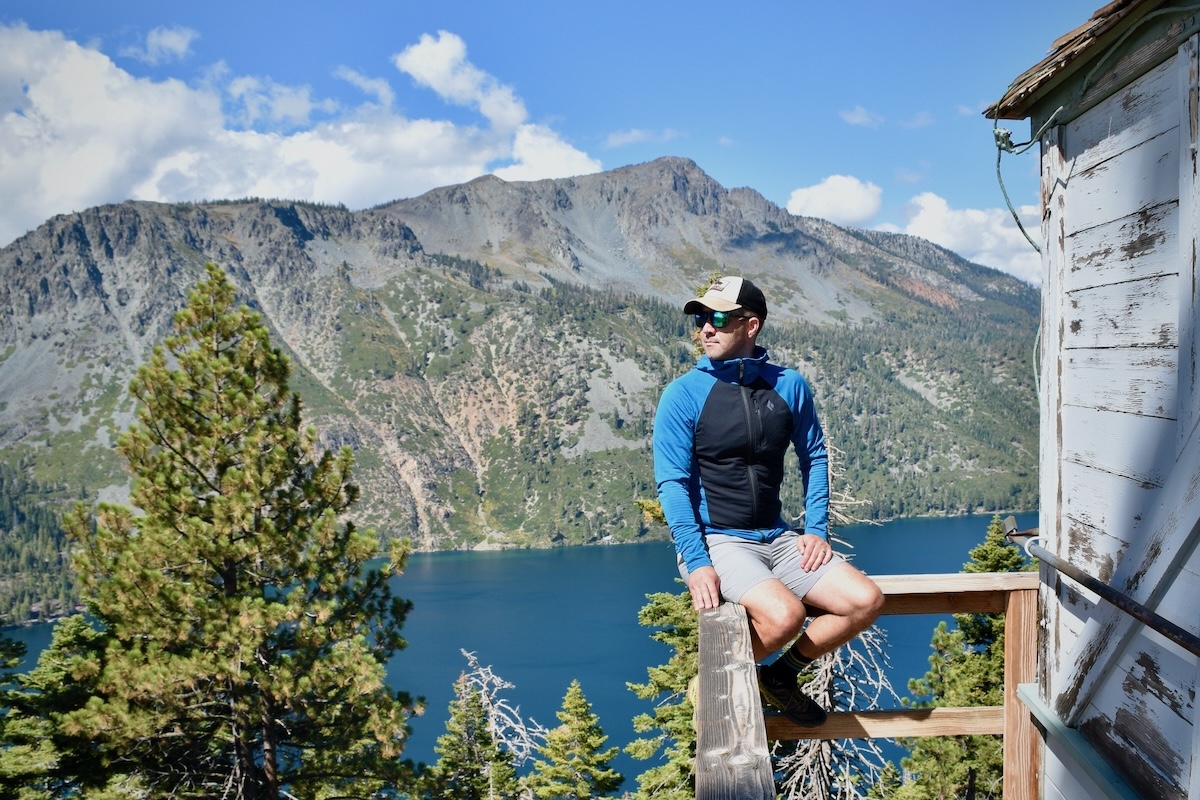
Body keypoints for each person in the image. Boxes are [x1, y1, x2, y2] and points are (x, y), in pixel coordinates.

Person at [652, 276, 884, 726]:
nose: (706, 329)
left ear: (751, 324)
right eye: (701, 319)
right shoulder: (682, 395)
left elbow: (815, 455)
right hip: (718, 541)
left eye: (718, 318)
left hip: (777, 538)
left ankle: (778, 676)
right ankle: (715, 677)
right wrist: (696, 560)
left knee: (865, 601)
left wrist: (815, 528)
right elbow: (673, 484)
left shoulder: (788, 386)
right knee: (784, 617)